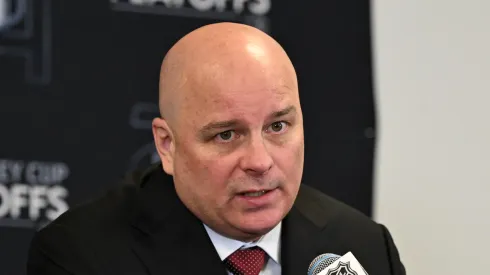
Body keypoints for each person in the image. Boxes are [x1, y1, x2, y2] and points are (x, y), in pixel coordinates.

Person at [26, 22, 405, 275]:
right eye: (226, 135)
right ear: (167, 145)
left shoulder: (365, 246)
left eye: (277, 126)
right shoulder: (79, 258)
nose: (260, 161)